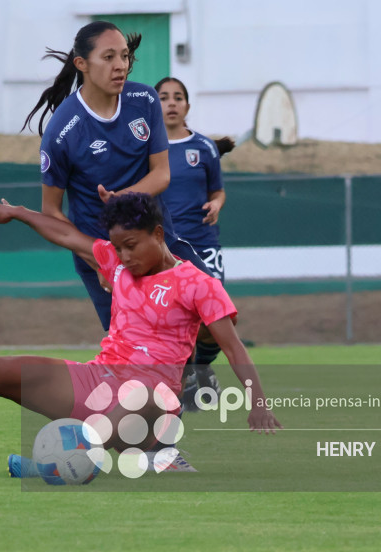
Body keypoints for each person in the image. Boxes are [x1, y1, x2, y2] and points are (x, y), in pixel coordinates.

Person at [0, 193, 281, 475]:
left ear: (158, 234)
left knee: (149, 397)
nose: (122, 256)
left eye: (132, 245)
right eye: (117, 247)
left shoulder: (197, 283)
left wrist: (257, 403)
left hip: (153, 400)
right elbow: (67, 236)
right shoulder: (119, 267)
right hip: (98, 381)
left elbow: (232, 346)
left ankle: (62, 462)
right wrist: (20, 212)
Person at [23, 20, 210, 332]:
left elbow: (161, 175)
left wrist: (121, 200)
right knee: (136, 350)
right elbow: (51, 211)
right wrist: (99, 260)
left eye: (124, 56)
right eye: (108, 57)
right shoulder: (62, 131)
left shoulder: (146, 100)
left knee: (208, 318)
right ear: (81, 64)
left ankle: (195, 380)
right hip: (104, 250)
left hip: (158, 241)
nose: (120, 65)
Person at [154, 76, 233, 400]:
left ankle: (202, 367)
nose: (171, 103)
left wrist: (216, 203)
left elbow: (218, 191)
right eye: (163, 97)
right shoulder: (145, 150)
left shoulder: (204, 147)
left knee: (218, 317)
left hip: (203, 243)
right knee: (174, 319)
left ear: (187, 105)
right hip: (165, 248)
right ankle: (184, 378)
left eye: (178, 97)